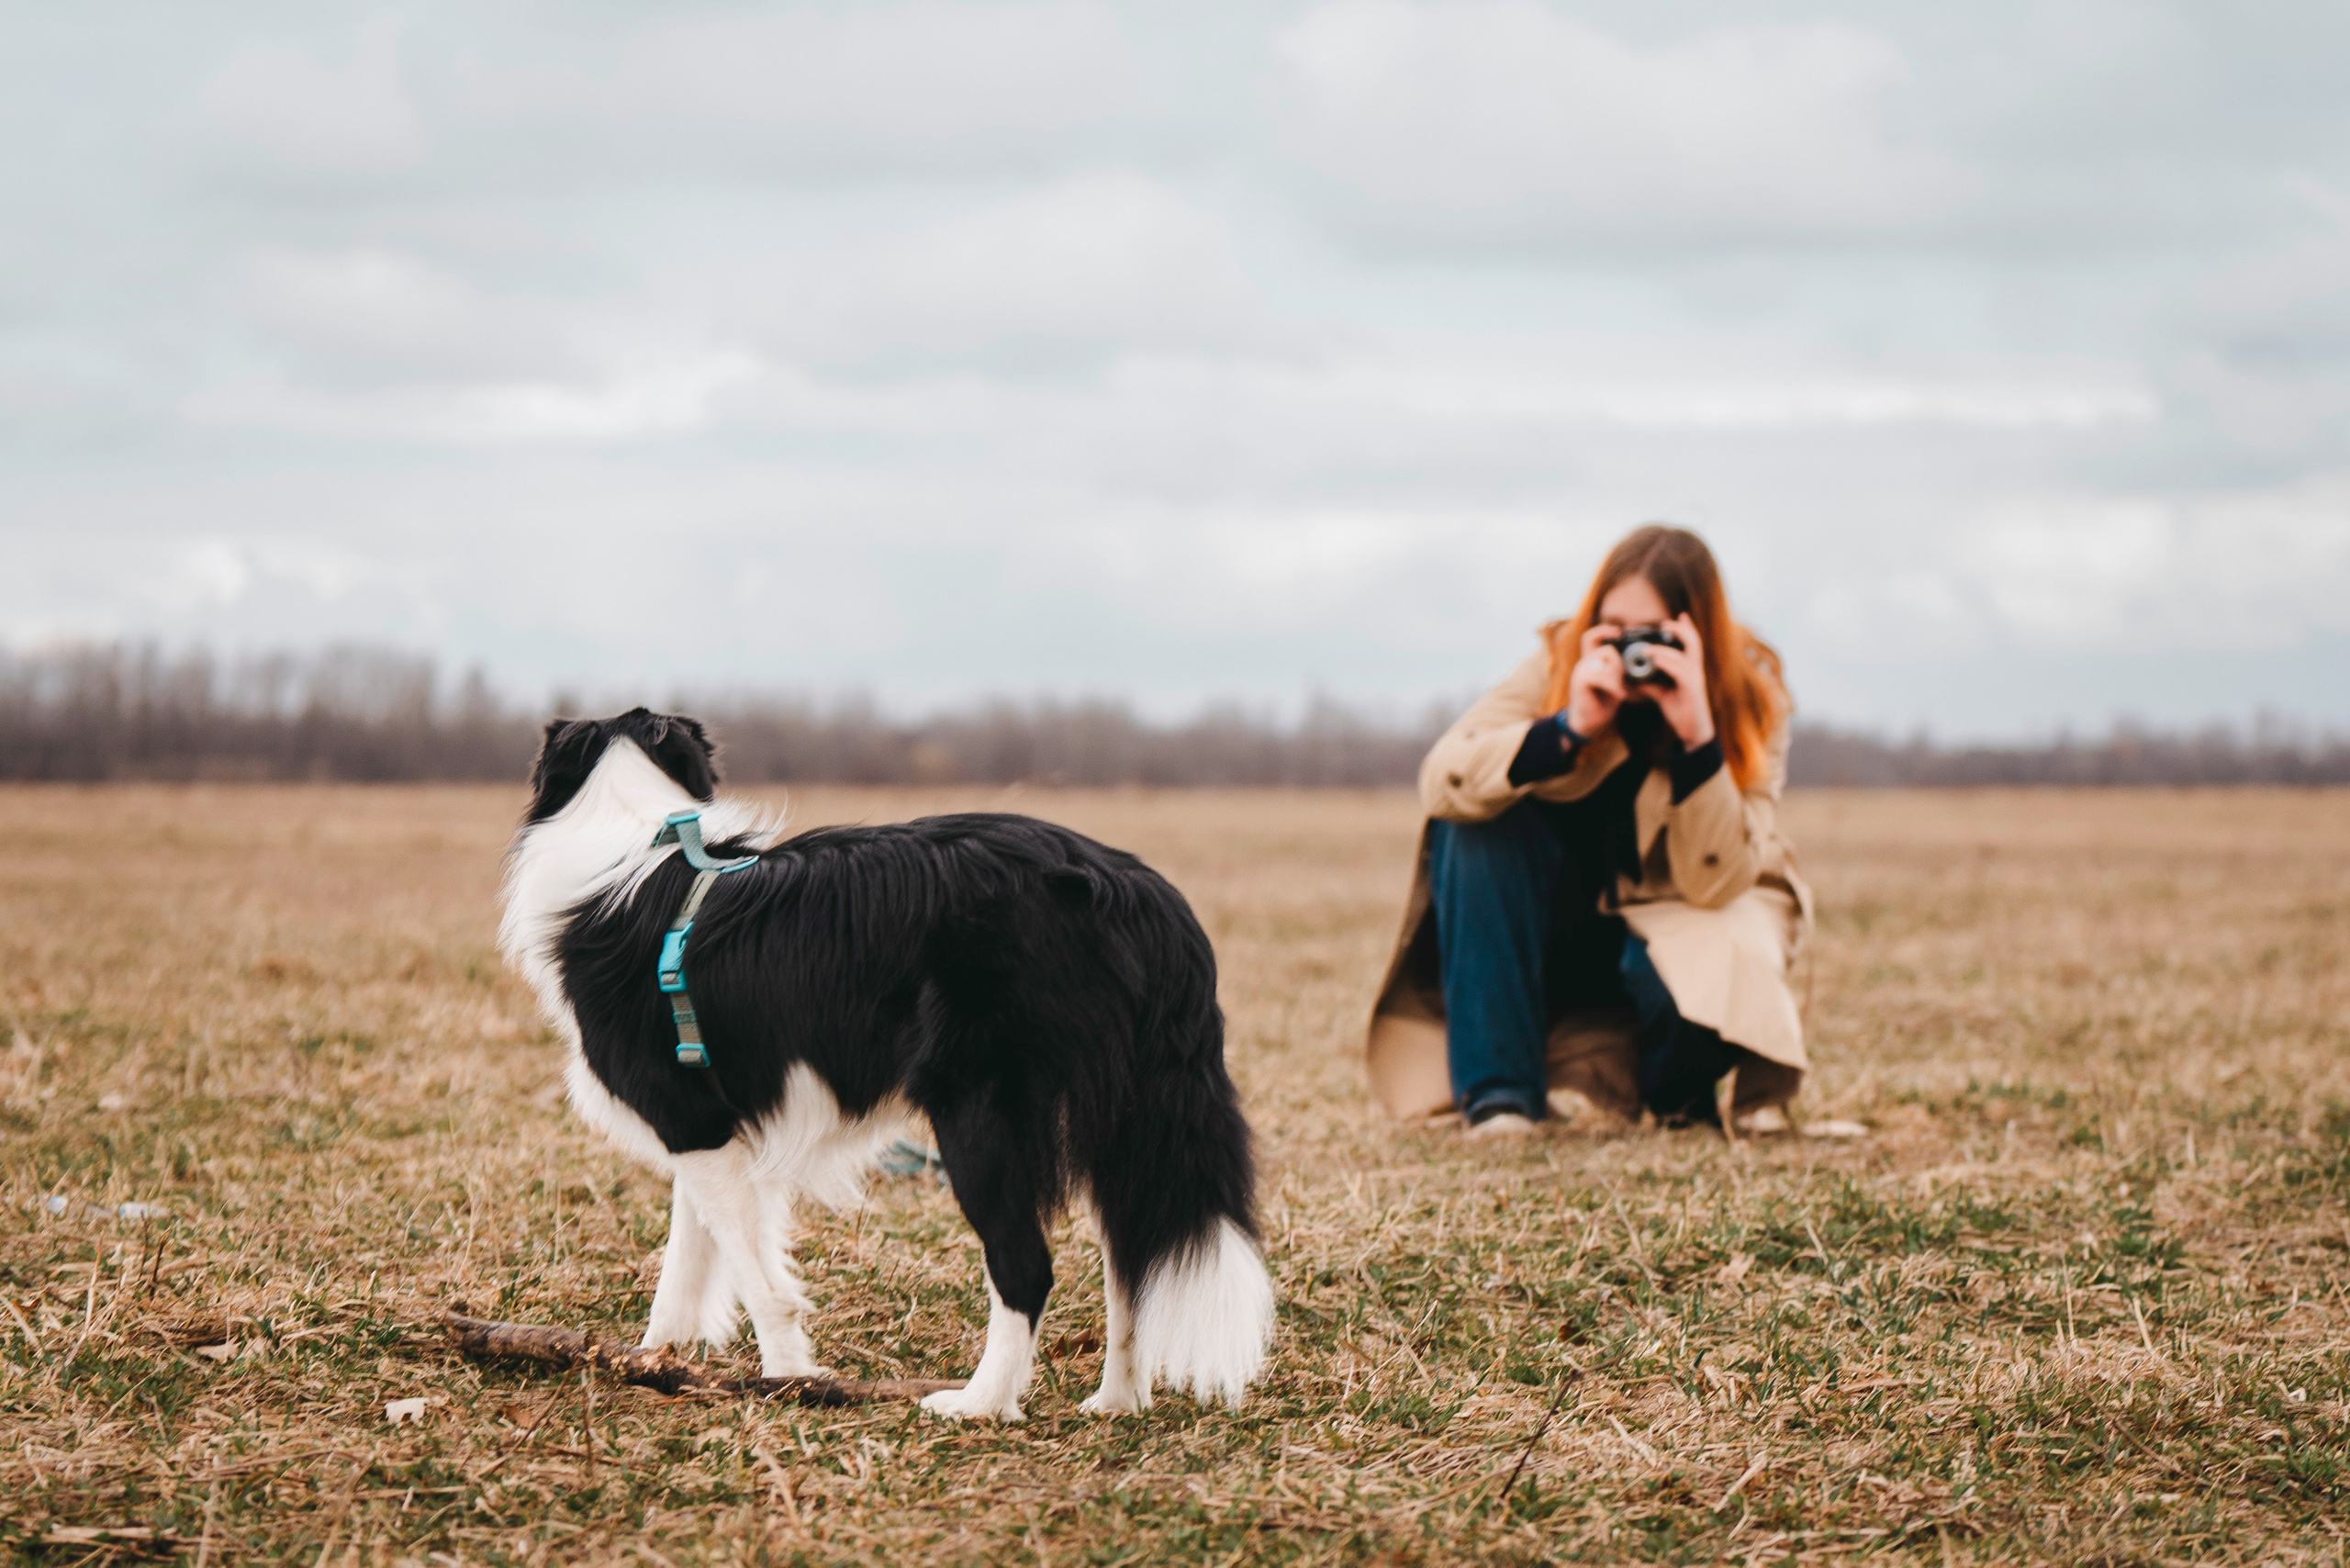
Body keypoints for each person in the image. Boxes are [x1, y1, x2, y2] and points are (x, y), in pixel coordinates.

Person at [1365, 525, 1812, 1137]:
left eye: (1651, 636)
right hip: (1560, 928)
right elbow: (1446, 777)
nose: (1631, 653)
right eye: (1614, 629)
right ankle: (1501, 1100)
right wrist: (1568, 729)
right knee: (1473, 826)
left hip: (1676, 928)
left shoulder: (1752, 698)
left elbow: (1720, 883)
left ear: (1696, 630)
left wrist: (1697, 740)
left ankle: (1680, 1099)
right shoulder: (1563, 660)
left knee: (1699, 960)